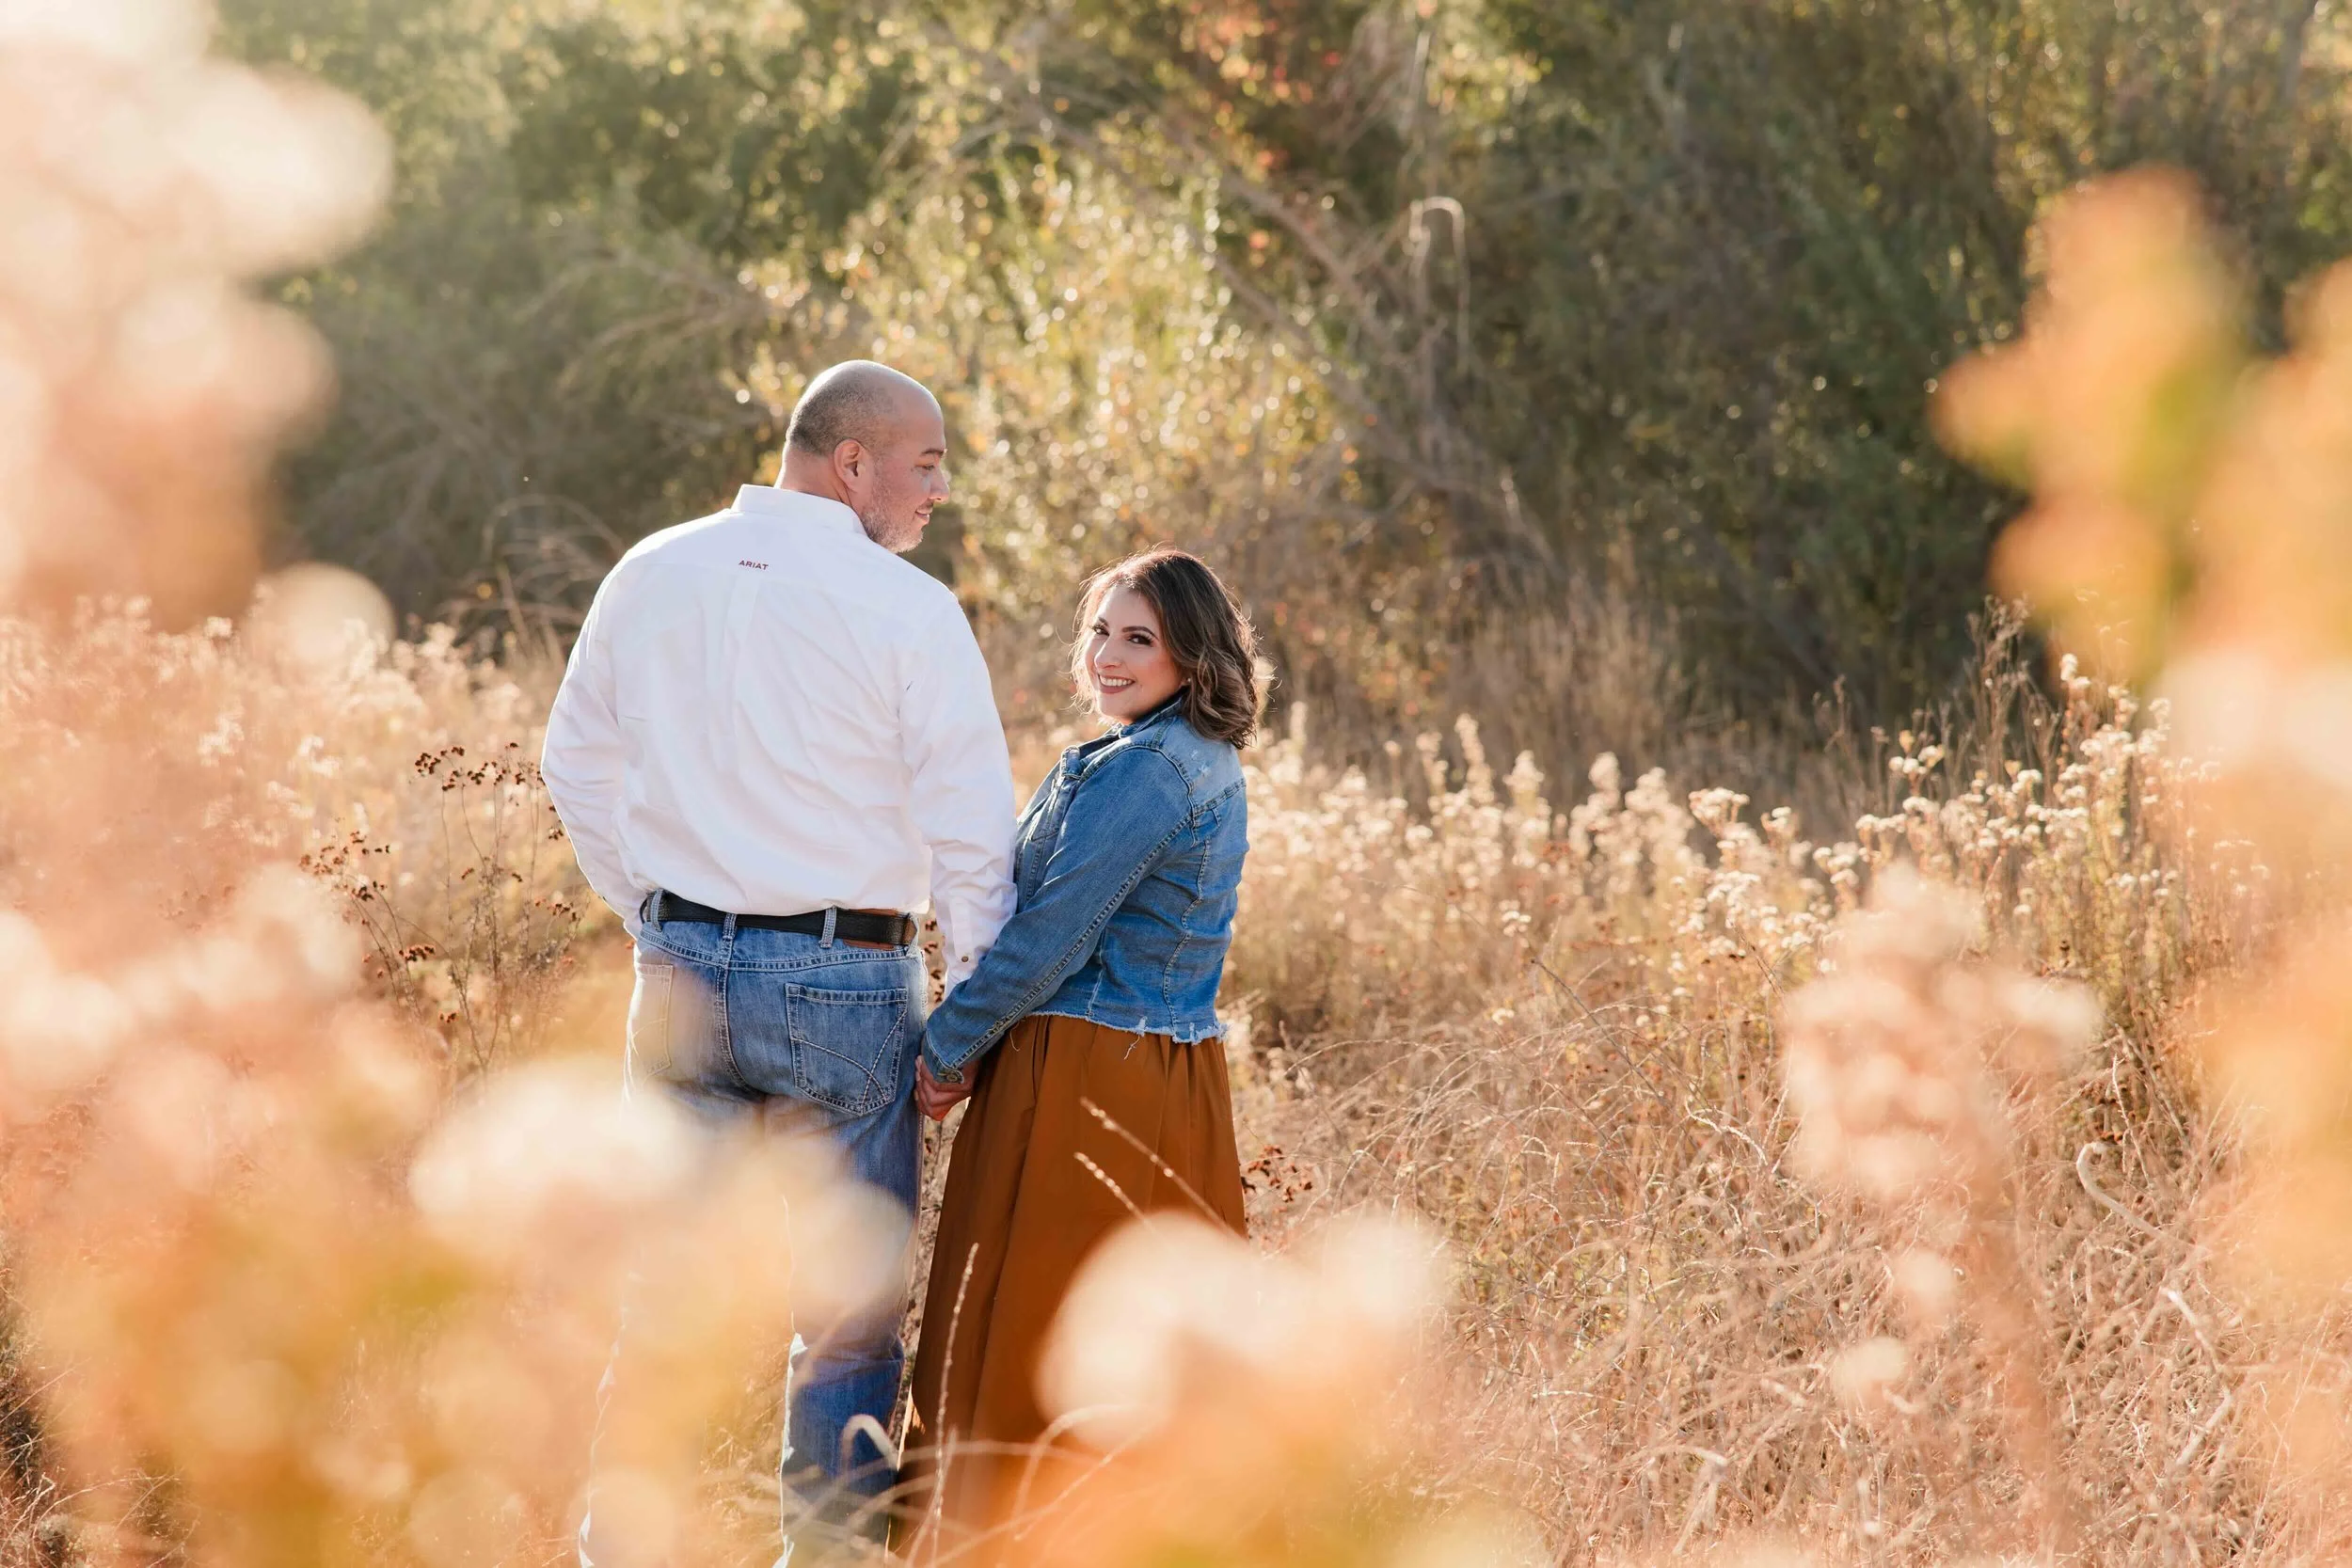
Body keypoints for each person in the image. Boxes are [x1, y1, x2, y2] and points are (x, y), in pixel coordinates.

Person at [540, 360, 1018, 1559]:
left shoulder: (650, 568)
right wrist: (972, 1020)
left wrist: (653, 913)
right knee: (846, 1323)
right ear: (849, 461)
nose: (938, 490)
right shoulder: (908, 610)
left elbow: (573, 765)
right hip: (843, 988)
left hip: (680, 974)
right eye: (926, 461)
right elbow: (971, 838)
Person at [898, 547, 1261, 1553]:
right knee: (1122, 1350)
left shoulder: (1148, 769)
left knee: (1040, 1333)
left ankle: (1011, 1537)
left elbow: (1052, 932)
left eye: (1138, 637)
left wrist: (948, 1045)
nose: (1107, 654)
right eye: (1100, 629)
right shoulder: (1168, 750)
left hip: (1093, 1072)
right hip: (1154, 1075)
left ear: (1191, 654)